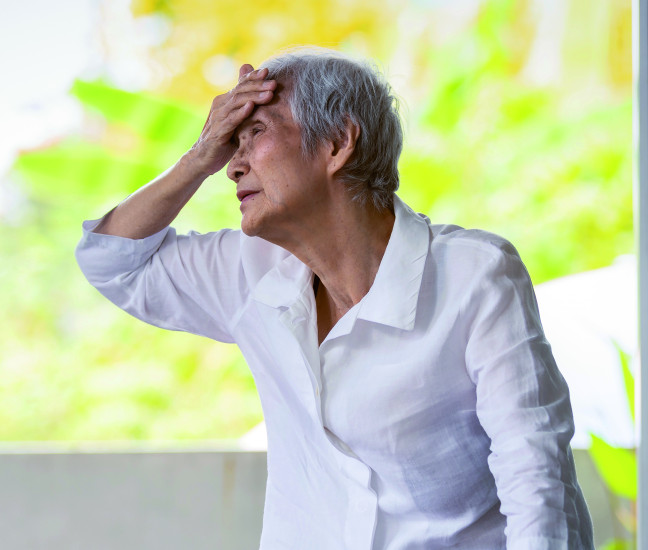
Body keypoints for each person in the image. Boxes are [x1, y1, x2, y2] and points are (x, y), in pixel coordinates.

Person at [75, 48, 593, 549]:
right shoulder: (250, 271)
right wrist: (197, 157)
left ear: (338, 143)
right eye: (230, 142)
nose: (233, 166)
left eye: (253, 133)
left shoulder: (474, 277)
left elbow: (536, 483)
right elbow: (112, 260)